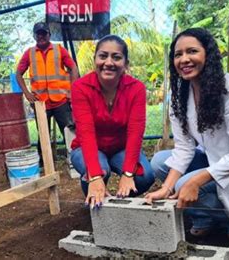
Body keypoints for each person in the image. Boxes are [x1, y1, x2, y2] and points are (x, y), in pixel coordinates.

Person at [146, 28, 229, 239]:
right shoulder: (179, 95)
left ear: (208, 55)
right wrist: (166, 188)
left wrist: (195, 181)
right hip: (215, 159)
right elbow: (184, 148)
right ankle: (206, 217)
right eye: (178, 54)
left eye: (192, 51)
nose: (184, 59)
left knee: (185, 183)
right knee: (159, 162)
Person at [70, 35, 155, 208]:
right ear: (95, 60)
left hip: (120, 148)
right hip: (86, 147)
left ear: (126, 63)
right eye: (103, 56)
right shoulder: (80, 87)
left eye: (116, 57)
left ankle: (118, 204)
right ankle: (94, 200)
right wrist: (94, 176)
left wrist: (128, 173)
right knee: (99, 170)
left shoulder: (136, 88)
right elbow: (86, 133)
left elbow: (135, 132)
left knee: (145, 176)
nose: (109, 62)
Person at [16, 22, 79, 163]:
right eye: (38, 34)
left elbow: (73, 68)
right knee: (43, 134)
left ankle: (75, 160)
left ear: (49, 35)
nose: (41, 36)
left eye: (44, 33)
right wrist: (26, 93)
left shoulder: (59, 50)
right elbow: (18, 74)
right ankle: (45, 162)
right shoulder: (29, 53)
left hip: (60, 100)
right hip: (40, 102)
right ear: (34, 36)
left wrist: (72, 91)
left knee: (69, 130)